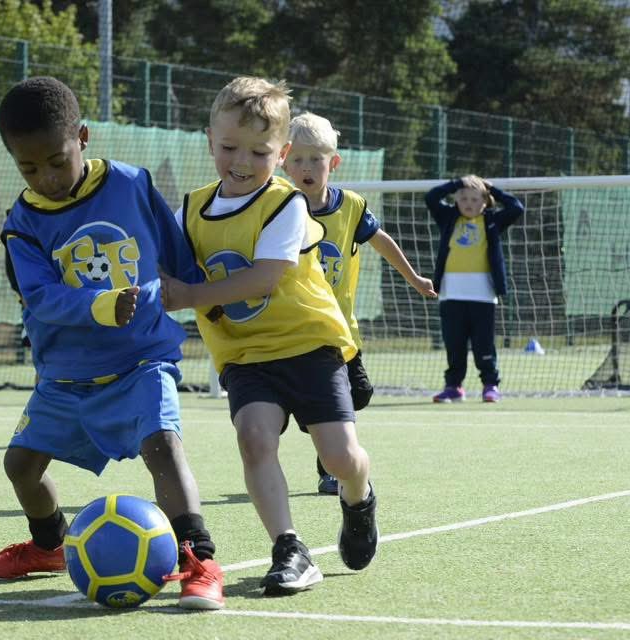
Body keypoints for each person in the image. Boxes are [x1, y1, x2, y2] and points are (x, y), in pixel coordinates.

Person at [0, 76, 224, 610]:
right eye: (28, 168)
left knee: (164, 447)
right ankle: (50, 546)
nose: (47, 178)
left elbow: (176, 256)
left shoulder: (131, 183)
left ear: (82, 137)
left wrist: (209, 297)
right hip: (66, 376)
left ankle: (197, 558)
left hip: (141, 358)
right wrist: (102, 305)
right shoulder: (23, 224)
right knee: (20, 467)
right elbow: (40, 297)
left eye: (56, 161)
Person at [160, 76, 378, 596]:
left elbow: (264, 276)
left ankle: (359, 497)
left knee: (340, 458)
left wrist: (190, 297)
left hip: (308, 344)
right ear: (209, 140)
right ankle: (289, 547)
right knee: (254, 439)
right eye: (229, 147)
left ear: (281, 155)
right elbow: (166, 264)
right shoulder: (189, 210)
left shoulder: (287, 205)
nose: (240, 161)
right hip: (245, 354)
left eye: (258, 151)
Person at [283, 112, 437, 495]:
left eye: (315, 159)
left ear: (332, 163)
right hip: (297, 331)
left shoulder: (350, 207)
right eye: (297, 159)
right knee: (333, 407)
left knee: (360, 394)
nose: (306, 167)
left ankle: (316, 423)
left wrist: (414, 278)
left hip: (342, 330)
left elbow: (381, 240)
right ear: (283, 160)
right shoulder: (279, 208)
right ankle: (330, 467)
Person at [425, 175, 525, 403]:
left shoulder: (492, 222)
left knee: (484, 345)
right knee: (454, 345)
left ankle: (490, 384)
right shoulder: (448, 218)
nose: (469, 203)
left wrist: (492, 189)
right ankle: (454, 387)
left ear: (485, 202)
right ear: (456, 201)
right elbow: (431, 197)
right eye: (463, 198)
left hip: (483, 296)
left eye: (474, 199)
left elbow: (516, 207)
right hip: (451, 295)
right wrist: (457, 183)